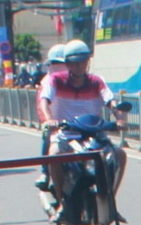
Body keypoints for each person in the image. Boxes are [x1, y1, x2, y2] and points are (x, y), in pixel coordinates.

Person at [37, 41, 118, 191]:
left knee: (120, 155)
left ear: (88, 62)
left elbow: (110, 100)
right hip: (66, 135)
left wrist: (120, 118)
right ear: (67, 64)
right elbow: (44, 101)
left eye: (83, 62)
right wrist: (49, 120)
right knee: (53, 154)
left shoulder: (96, 81)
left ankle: (110, 197)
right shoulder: (56, 80)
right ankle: (61, 200)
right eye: (75, 63)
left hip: (93, 136)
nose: (79, 66)